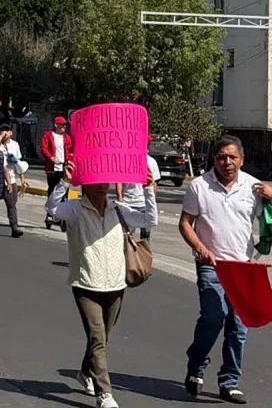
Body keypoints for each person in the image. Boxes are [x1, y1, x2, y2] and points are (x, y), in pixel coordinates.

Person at [178, 135, 272, 405]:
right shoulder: (200, 186)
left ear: (241, 159)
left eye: (232, 157)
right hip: (211, 266)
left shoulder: (253, 188)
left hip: (244, 268)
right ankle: (196, 366)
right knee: (213, 318)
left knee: (238, 327)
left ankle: (229, 381)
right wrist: (201, 247)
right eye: (222, 156)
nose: (227, 162)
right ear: (214, 159)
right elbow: (185, 224)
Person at [45, 161, 157, 408]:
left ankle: (86, 372)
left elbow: (149, 220)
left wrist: (148, 189)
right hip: (86, 284)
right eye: (95, 183)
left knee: (103, 338)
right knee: (97, 337)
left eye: (104, 183)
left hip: (116, 284)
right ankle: (104, 393)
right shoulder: (74, 209)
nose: (100, 187)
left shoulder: (118, 209)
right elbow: (51, 208)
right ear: (85, 184)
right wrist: (64, 181)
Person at [116, 136, 161, 240]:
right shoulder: (126, 160)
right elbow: (119, 180)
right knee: (127, 235)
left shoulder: (152, 162)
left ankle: (145, 254)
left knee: (145, 236)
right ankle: (129, 254)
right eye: (146, 144)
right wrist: (120, 197)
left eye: (148, 144)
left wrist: (152, 201)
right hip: (129, 203)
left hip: (144, 204)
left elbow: (154, 184)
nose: (147, 147)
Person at [41, 116, 73, 224]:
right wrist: (51, 158)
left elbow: (70, 150)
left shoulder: (67, 138)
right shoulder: (48, 135)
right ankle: (50, 214)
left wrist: (69, 161)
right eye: (62, 124)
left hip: (64, 168)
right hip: (52, 168)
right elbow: (44, 148)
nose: (64, 126)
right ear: (56, 125)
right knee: (52, 190)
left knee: (65, 191)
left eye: (65, 125)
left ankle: (62, 214)